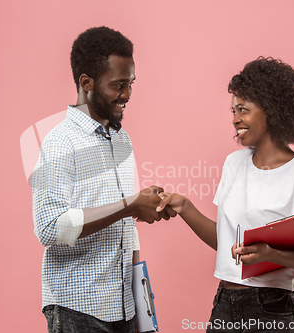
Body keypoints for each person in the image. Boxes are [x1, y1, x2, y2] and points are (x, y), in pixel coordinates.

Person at [156, 57, 294, 332]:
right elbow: (227, 243)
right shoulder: (234, 163)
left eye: (243, 109)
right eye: (233, 110)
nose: (235, 119)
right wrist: (185, 207)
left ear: (271, 111)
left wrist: (271, 253)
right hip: (225, 303)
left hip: (274, 309)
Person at [32, 26, 175, 333]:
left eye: (131, 83)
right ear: (87, 82)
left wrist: (142, 304)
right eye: (118, 85)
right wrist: (129, 205)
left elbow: (127, 230)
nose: (127, 94)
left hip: (124, 307)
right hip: (77, 309)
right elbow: (49, 227)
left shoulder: (122, 140)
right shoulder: (60, 142)